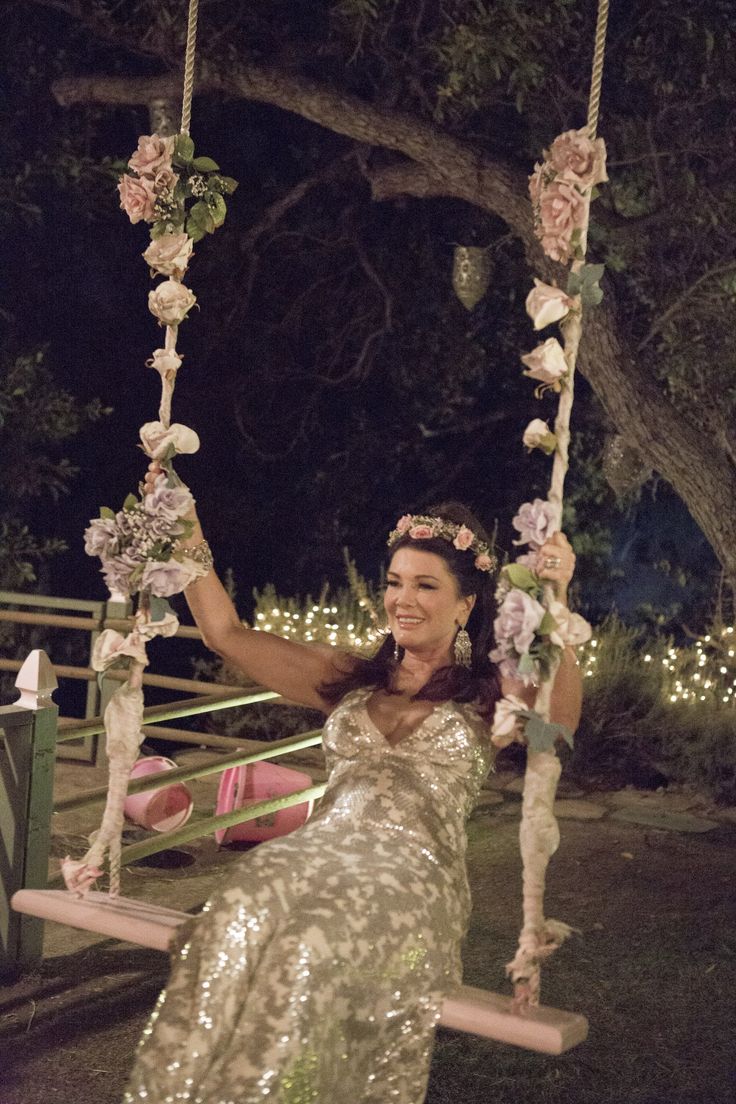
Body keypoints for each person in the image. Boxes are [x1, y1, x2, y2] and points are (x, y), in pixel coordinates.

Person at [123, 482, 581, 1104]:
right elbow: (225, 633)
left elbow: (563, 721)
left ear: (464, 605)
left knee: (315, 939)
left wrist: (556, 599)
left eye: (425, 586)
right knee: (243, 901)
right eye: (394, 581)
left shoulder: (489, 695)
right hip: (316, 856)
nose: (403, 599)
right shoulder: (347, 678)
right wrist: (186, 523)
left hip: (412, 878)